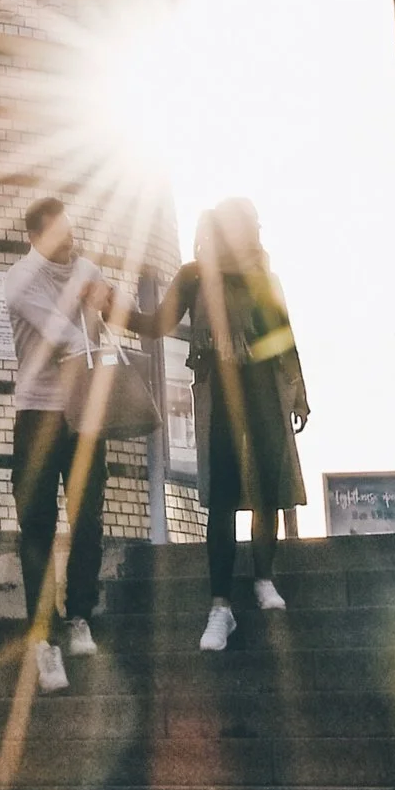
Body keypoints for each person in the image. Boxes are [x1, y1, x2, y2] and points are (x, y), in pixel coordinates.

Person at [169, 199, 308, 655]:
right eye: (245, 226)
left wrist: (300, 393)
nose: (252, 234)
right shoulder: (195, 277)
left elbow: (284, 338)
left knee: (267, 488)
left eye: (253, 226)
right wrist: (111, 308)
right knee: (223, 499)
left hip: (264, 391)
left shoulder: (265, 279)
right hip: (220, 398)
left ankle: (264, 578)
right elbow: (158, 322)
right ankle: (220, 606)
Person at [1, 195, 108, 695]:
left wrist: (104, 300)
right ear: (34, 238)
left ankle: (80, 616)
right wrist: (92, 302)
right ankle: (43, 638)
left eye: (70, 229)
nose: (70, 240)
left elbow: (110, 315)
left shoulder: (85, 268)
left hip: (82, 414)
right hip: (38, 414)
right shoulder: (21, 279)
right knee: (38, 526)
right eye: (58, 234)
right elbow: (64, 336)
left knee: (87, 517)